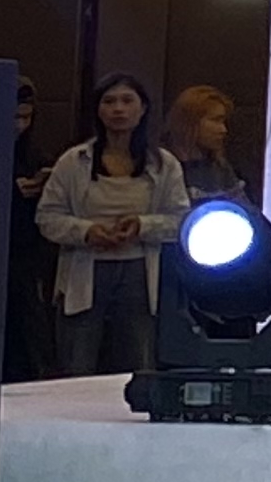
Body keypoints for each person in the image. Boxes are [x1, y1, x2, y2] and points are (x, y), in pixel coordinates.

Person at [36, 74, 185, 377]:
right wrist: (87, 232)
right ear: (98, 110)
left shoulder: (163, 164)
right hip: (85, 269)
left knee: (139, 363)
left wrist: (142, 226)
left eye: (127, 101)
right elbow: (47, 217)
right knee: (76, 364)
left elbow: (180, 220)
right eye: (109, 101)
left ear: (142, 109)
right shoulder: (74, 161)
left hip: (139, 271)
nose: (118, 109)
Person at [9, 72, 53, 381]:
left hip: (24, 258)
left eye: (26, 118)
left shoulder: (34, 153)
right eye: (13, 117)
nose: (19, 126)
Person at [160, 88, 247, 209]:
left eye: (223, 122)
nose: (223, 130)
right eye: (216, 120)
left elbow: (244, 208)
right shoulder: (162, 166)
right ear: (190, 122)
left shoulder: (221, 168)